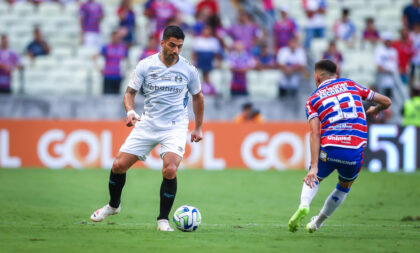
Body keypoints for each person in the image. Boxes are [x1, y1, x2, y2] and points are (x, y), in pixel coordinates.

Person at [90, 26, 204, 232]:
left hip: (175, 125)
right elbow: (129, 93)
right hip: (148, 122)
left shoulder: (189, 69)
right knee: (118, 166)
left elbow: (198, 97)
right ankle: (113, 206)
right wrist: (130, 111)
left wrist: (198, 127)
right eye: (172, 45)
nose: (176, 50)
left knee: (170, 168)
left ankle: (163, 220)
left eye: (179, 46)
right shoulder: (146, 65)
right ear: (162, 43)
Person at [288, 59, 391, 233]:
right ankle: (317, 223)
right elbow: (386, 101)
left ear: (318, 77)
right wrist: (376, 110)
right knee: (344, 187)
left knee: (315, 177)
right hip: (353, 151)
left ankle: (304, 204)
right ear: (336, 74)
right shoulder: (351, 85)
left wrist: (313, 166)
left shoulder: (312, 99)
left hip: (330, 148)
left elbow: (315, 133)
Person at [192, 25, 221, 95]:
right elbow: (194, 53)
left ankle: (210, 89)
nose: (207, 32)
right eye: (205, 30)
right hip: (200, 62)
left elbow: (216, 54)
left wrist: (218, 63)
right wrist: (194, 62)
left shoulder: (214, 40)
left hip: (210, 62)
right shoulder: (198, 40)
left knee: (211, 75)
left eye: (208, 30)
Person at [374, 32, 399, 98]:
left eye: (389, 41)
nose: (388, 42)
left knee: (391, 97)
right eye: (387, 40)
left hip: (392, 79)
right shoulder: (379, 50)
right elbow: (378, 66)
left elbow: (396, 65)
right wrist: (388, 70)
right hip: (382, 78)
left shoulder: (394, 51)